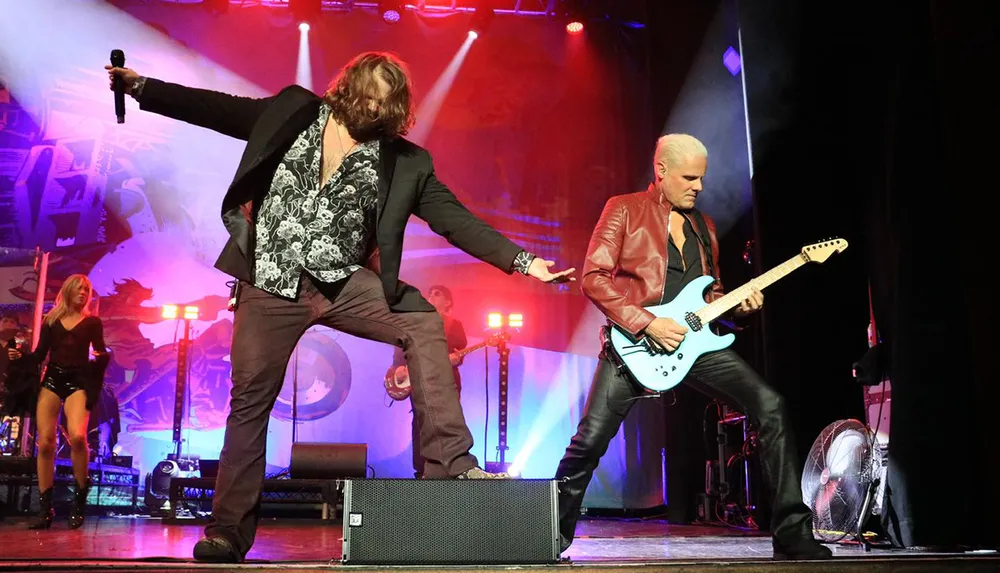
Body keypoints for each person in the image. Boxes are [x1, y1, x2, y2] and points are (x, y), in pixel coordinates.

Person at [106, 52, 574, 563]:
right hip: (270, 279)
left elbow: (456, 221)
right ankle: (227, 533)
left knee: (421, 320)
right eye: (368, 94)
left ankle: (451, 462)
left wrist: (525, 262)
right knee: (249, 403)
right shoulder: (292, 112)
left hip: (342, 282)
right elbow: (217, 108)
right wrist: (143, 87)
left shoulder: (405, 161)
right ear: (348, 88)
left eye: (385, 102)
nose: (373, 108)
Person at [553, 134, 832, 561]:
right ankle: (549, 533)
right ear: (661, 170)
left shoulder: (705, 227)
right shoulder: (624, 209)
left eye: (701, 178)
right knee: (589, 441)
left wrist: (738, 309)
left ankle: (792, 534)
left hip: (695, 344)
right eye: (689, 177)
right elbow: (594, 278)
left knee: (771, 406)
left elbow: (711, 295)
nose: (698, 186)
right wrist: (647, 323)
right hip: (634, 346)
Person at [7, 274, 109, 530]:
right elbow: (40, 355)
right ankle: (45, 509)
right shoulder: (51, 320)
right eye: (79, 289)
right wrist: (19, 355)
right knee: (45, 444)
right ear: (67, 291)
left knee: (77, 437)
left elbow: (101, 351)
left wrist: (102, 357)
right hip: (52, 379)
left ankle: (79, 501)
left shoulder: (92, 322)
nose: (84, 293)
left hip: (79, 381)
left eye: (87, 290)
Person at [387, 285, 467, 478]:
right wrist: (398, 365)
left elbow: (459, 354)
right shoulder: (416, 321)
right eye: (429, 292)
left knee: (448, 422)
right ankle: (421, 469)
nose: (430, 295)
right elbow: (401, 346)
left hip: (446, 382)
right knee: (421, 422)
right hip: (420, 380)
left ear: (448, 302)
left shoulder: (454, 324)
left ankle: (449, 468)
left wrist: (456, 359)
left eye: (437, 294)